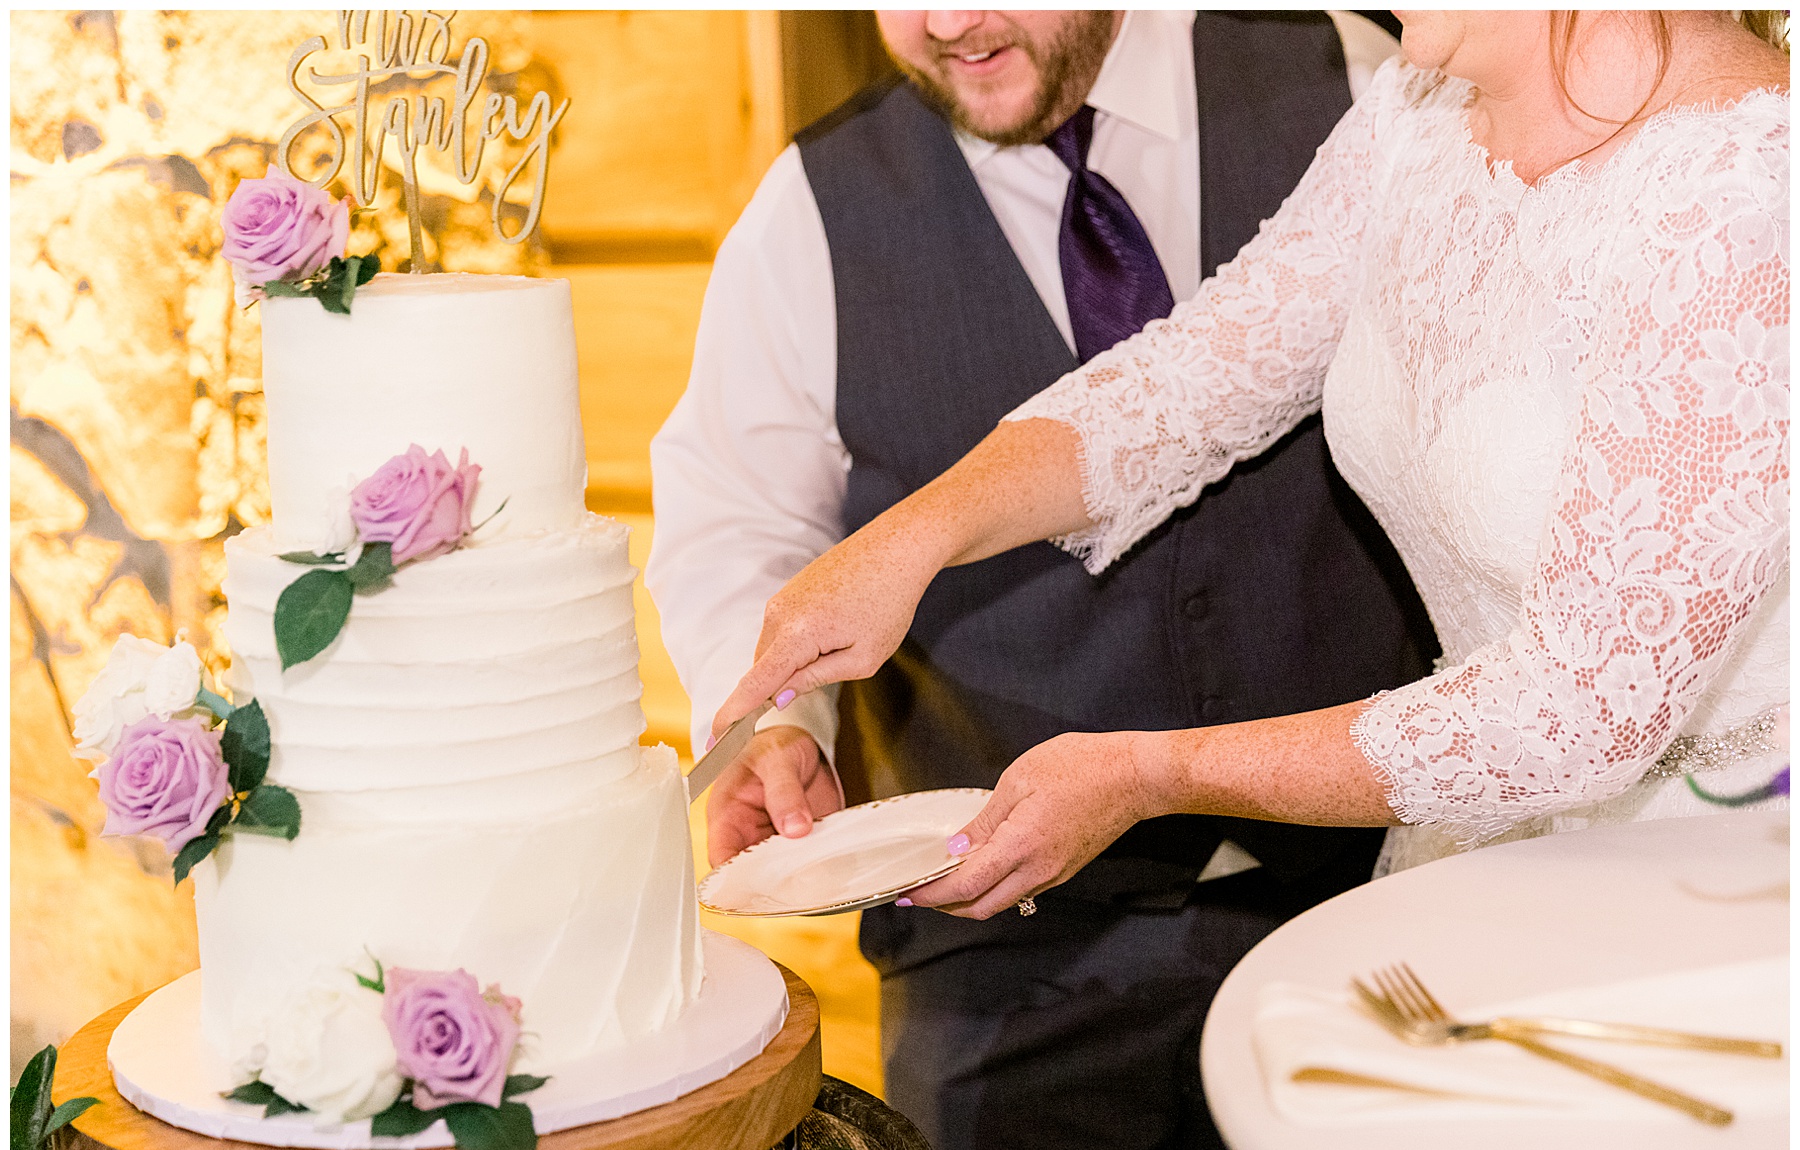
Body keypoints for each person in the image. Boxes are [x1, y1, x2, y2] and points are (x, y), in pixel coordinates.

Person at [716, 9, 1789, 924]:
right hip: (1484, 855)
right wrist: (911, 538)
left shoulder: (1746, 189)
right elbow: (1193, 375)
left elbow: (1577, 713)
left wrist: (1155, 772)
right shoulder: (1417, 106)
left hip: (1713, 881)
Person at [649, 10, 1431, 1150]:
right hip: (1005, 957)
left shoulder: (1352, 76)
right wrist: (779, 723)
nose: (946, 22)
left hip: (1366, 914)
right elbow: (741, 521)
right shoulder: (808, 211)